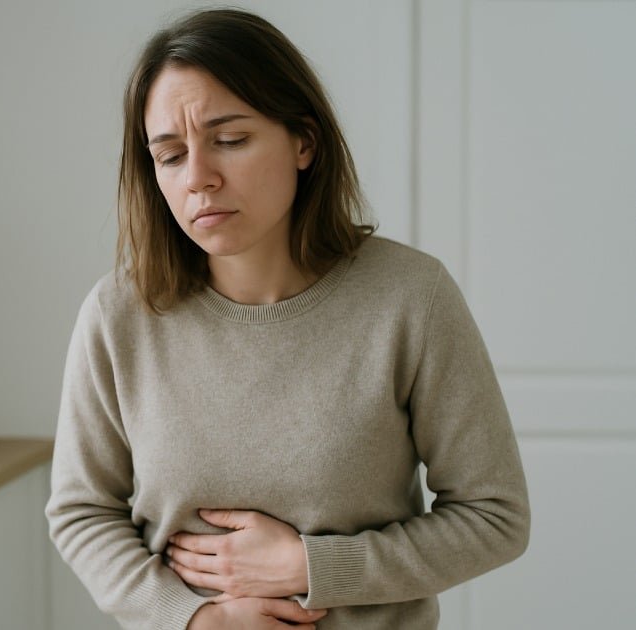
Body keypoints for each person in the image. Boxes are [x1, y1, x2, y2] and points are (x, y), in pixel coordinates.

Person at [46, 8, 530, 629]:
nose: (199, 179)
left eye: (230, 139)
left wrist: (313, 566)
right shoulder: (118, 316)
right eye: (169, 155)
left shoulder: (411, 297)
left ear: (304, 141)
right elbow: (81, 512)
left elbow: (496, 516)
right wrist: (194, 620)